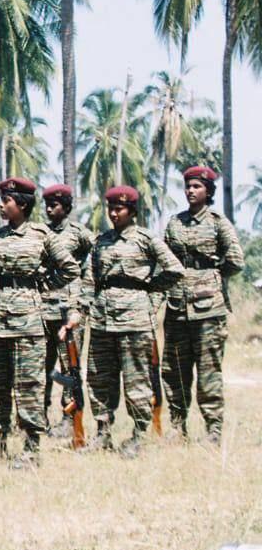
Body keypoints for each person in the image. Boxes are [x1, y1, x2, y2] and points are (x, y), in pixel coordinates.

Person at [0, 178, 79, 468]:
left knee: (29, 384)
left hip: (28, 321)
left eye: (6, 200)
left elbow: (69, 268)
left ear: (22, 205)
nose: (1, 205)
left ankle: (31, 446)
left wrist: (42, 285)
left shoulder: (41, 235)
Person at [83, 185, 184, 457]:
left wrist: (149, 291)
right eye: (111, 209)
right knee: (99, 380)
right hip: (103, 320)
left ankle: (139, 435)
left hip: (135, 320)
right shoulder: (100, 241)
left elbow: (175, 269)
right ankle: (102, 433)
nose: (114, 214)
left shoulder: (146, 239)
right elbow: (89, 279)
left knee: (136, 380)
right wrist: (80, 310)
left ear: (132, 211)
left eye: (119, 209)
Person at [162, 165, 243, 443]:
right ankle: (177, 427)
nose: (190, 191)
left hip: (209, 309)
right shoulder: (175, 222)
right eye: (188, 186)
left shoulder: (218, 223)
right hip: (177, 307)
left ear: (208, 191)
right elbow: (165, 258)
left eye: (196, 186)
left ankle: (213, 429)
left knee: (208, 372)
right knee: (174, 370)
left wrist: (212, 276)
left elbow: (236, 261)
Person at [40, 183, 94, 435]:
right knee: (42, 365)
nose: (49, 210)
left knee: (68, 365)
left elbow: (97, 257)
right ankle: (39, 415)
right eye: (47, 205)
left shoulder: (79, 233)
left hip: (68, 308)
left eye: (54, 205)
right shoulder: (40, 232)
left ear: (66, 207)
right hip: (43, 307)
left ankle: (69, 416)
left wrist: (84, 293)